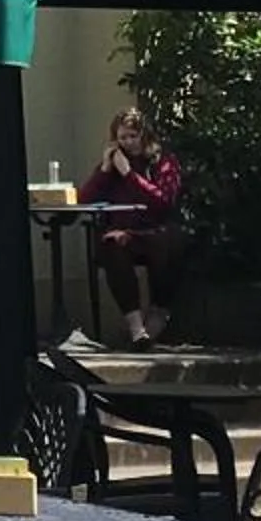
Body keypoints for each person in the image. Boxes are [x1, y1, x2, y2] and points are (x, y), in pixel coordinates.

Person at [82, 104, 187, 344]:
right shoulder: (115, 162)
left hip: (156, 230)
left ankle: (159, 314)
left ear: (144, 136)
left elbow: (162, 201)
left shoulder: (162, 161)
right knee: (111, 247)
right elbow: (86, 200)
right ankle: (135, 327)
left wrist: (129, 174)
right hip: (125, 232)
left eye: (133, 136)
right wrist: (105, 171)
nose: (128, 142)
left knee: (165, 246)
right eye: (122, 137)